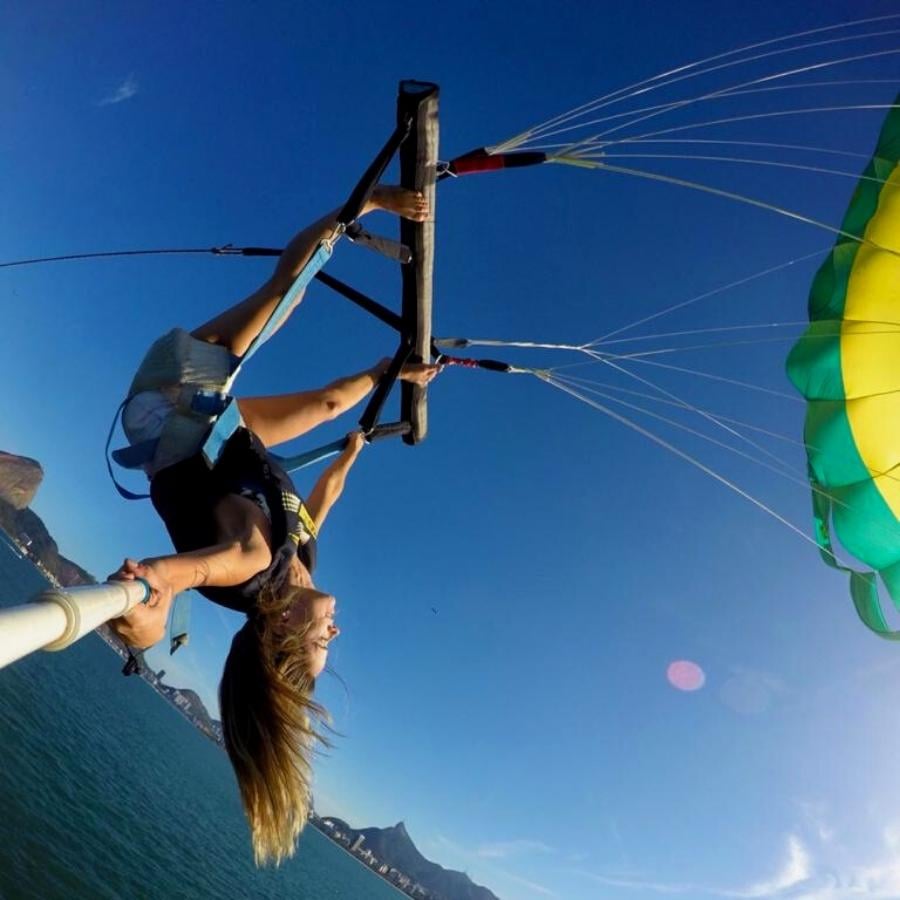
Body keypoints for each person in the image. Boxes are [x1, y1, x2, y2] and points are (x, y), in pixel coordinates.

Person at [106, 186, 440, 866]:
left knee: (284, 295)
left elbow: (175, 578)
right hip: (226, 441)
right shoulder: (301, 556)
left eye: (322, 644)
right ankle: (382, 365)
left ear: (282, 629)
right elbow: (328, 492)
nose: (334, 633)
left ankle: (364, 202)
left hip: (165, 410)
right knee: (324, 406)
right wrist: (362, 432)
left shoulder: (248, 560)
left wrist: (139, 624)